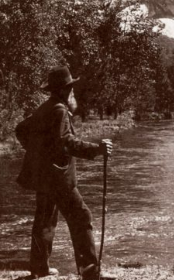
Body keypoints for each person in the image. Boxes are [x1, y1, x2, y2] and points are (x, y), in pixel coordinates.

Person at [15, 66, 113, 280]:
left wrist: (39, 155)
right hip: (59, 178)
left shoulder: (46, 108)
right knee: (81, 217)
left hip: (45, 177)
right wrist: (96, 149)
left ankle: (39, 269)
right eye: (71, 88)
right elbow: (66, 142)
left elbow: (20, 130)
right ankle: (89, 271)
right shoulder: (59, 110)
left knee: (45, 221)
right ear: (65, 90)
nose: (73, 92)